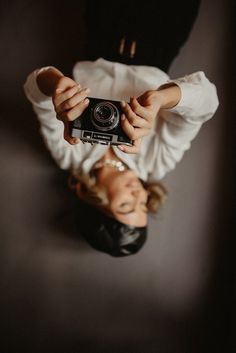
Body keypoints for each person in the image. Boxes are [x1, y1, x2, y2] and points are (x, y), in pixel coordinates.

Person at [23, 0, 219, 257]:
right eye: (143, 204)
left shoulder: (69, 154)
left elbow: (34, 89)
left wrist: (59, 87)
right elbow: (207, 101)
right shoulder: (156, 163)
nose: (138, 194)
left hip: (103, 26)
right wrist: (159, 100)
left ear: (93, 200)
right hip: (163, 32)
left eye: (126, 204)